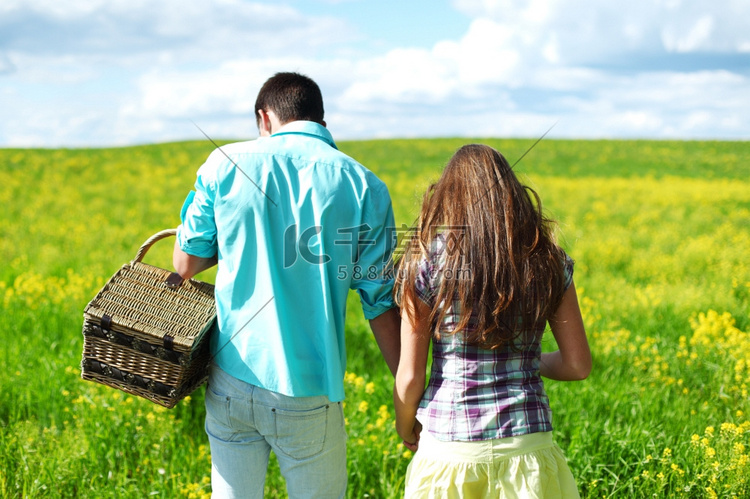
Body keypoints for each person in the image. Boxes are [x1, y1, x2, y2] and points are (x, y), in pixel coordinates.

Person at [173, 72, 401, 498]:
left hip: (231, 379)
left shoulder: (224, 163)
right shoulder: (364, 184)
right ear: (321, 121)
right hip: (309, 390)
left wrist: (242, 239)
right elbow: (380, 301)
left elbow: (184, 263)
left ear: (265, 118)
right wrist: (409, 387)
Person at [392, 144, 591, 498]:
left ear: (449, 199)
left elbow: (409, 377)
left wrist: (405, 427)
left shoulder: (425, 262)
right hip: (528, 449)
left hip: (449, 452)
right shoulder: (548, 261)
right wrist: (527, 359)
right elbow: (577, 365)